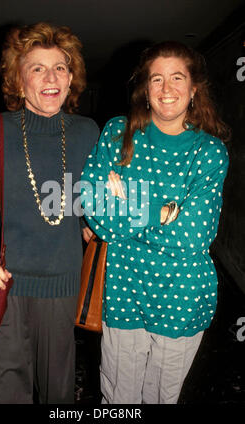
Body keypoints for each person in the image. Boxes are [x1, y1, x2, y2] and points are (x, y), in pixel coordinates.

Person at [0, 22, 99, 404]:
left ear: (71, 76)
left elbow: (89, 199)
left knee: (60, 391)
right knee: (5, 391)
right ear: (18, 79)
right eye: (37, 68)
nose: (51, 77)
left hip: (64, 285)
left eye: (60, 67)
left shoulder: (88, 132)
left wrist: (93, 221)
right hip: (2, 284)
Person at [80, 41, 230, 404]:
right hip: (124, 290)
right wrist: (163, 212)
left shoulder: (209, 151)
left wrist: (128, 206)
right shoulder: (119, 132)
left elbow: (194, 236)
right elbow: (95, 211)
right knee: (119, 398)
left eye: (176, 78)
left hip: (181, 296)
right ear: (145, 89)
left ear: (194, 88)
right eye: (156, 79)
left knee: (162, 398)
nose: (166, 89)